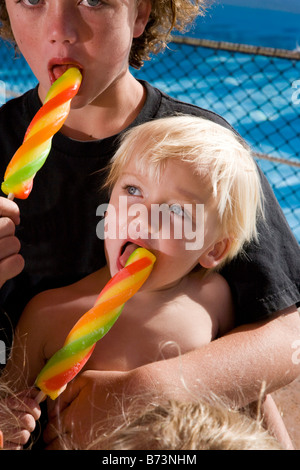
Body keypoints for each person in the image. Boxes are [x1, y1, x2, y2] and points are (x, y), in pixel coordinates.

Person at [0, 0, 299, 450]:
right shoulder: (47, 315)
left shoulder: (203, 152)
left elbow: (288, 331)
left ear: (142, 13)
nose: (60, 29)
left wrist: (148, 388)